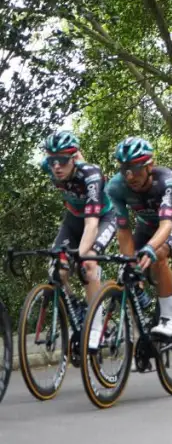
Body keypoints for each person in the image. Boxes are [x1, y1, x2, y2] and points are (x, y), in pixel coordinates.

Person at [106, 137, 172, 337]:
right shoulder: (115, 187)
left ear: (150, 165)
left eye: (137, 169)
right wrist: (131, 263)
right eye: (125, 169)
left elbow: (166, 224)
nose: (130, 176)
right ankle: (141, 325)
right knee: (129, 270)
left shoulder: (166, 180)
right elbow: (123, 229)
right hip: (146, 225)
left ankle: (168, 319)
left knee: (157, 255)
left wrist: (150, 248)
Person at [41, 130, 118, 346]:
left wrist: (84, 256)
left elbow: (92, 223)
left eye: (63, 160)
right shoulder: (49, 166)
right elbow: (54, 161)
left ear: (74, 157)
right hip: (73, 219)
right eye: (52, 160)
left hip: (102, 218)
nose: (56, 166)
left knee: (88, 265)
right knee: (57, 268)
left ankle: (96, 328)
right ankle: (74, 303)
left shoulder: (91, 175)